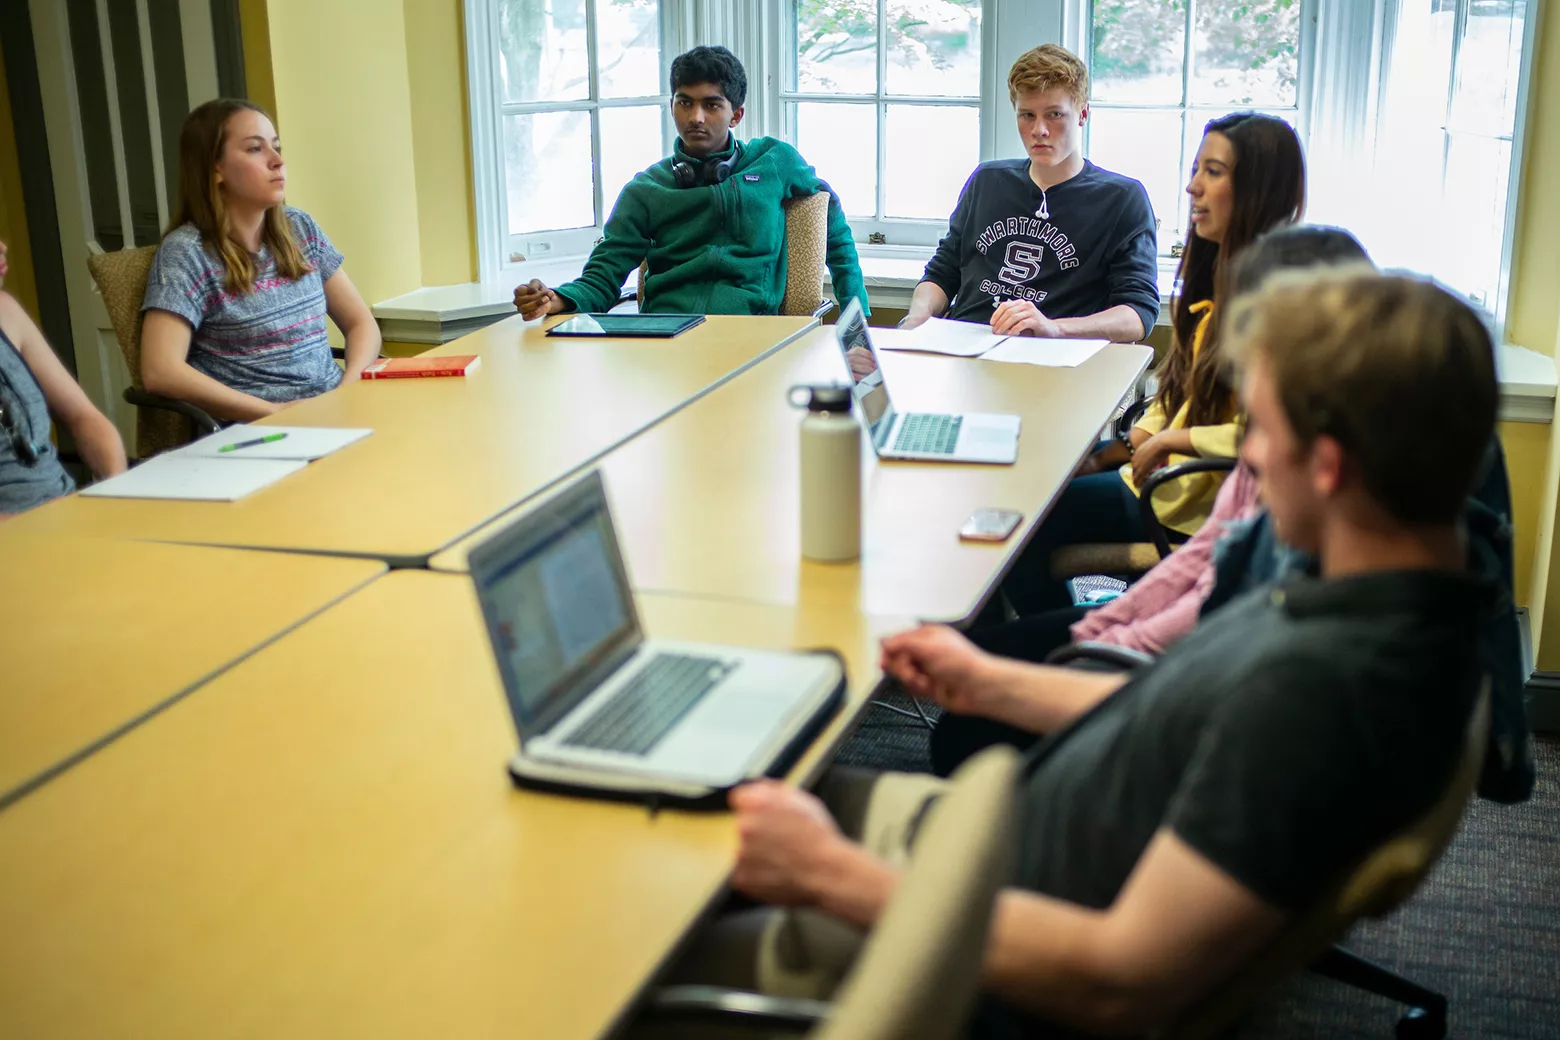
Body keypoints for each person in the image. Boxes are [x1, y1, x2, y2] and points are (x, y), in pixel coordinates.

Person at [670, 268, 1497, 1038]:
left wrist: (828, 877)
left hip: (960, 948)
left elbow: (1120, 976)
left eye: (1263, 430)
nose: (1245, 458)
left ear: (1328, 467)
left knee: (662, 877)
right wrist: (989, 680)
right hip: (993, 848)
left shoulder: (1324, 690)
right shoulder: (1387, 593)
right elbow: (1184, 709)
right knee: (724, 783)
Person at [929, 225, 1371, 776]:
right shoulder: (1279, 448)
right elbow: (1202, 561)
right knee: (984, 666)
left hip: (1177, 686)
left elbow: (1208, 624)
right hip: (1160, 647)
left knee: (964, 725)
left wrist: (1094, 652)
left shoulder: (1309, 512)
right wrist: (1102, 628)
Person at [1000, 112, 1307, 616]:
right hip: (1161, 476)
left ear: (1257, 189)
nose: (1192, 187)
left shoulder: (1279, 302)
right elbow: (1181, 395)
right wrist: (1121, 448)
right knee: (1032, 481)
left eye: (1213, 172)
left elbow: (1278, 436)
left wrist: (1170, 441)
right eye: (1195, 170)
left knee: (1018, 521)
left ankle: (1060, 644)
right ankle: (1054, 636)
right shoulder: (1218, 280)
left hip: (1186, 503)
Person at [514, 46, 868, 320]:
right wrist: (557, 299)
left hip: (751, 333)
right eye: (685, 103)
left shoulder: (774, 161)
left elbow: (831, 222)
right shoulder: (646, 189)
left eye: (712, 105)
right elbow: (603, 274)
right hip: (666, 336)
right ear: (672, 106)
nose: (695, 117)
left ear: (736, 115)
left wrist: (857, 316)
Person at [140, 99, 381, 423]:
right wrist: (275, 412)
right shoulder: (186, 253)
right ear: (215, 168)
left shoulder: (300, 228)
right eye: (256, 149)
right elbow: (160, 371)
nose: (278, 161)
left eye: (277, 147)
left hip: (336, 413)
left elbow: (361, 323)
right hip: (267, 431)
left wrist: (348, 390)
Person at [903, 44, 1159, 342]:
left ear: (1082, 114)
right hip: (964, 346)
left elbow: (1138, 313)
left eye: (1054, 114)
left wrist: (1054, 328)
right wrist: (918, 317)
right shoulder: (987, 181)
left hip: (1054, 357)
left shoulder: (1122, 198)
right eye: (1027, 115)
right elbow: (942, 273)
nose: (1039, 130)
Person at [0, 238, 127, 517]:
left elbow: (84, 417)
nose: (3, 246)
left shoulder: (6, 311)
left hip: (67, 516)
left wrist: (116, 491)